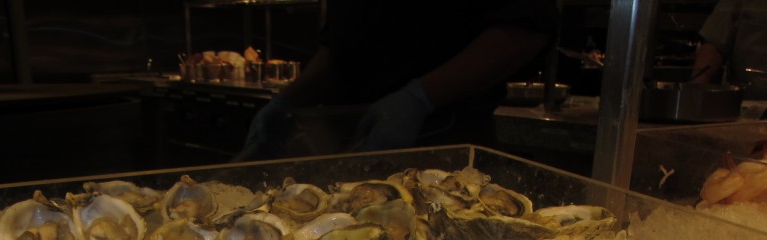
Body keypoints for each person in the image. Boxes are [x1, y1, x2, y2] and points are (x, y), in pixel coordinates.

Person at [235, 0, 557, 160]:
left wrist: (418, 98)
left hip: (441, 146)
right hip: (347, 141)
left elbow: (521, 32)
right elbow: (340, 45)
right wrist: (289, 99)